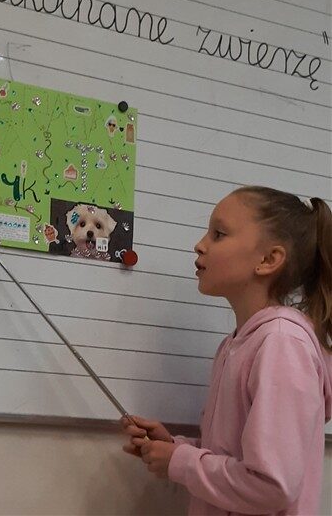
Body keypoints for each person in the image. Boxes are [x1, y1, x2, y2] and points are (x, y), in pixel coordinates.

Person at [121, 186, 332, 515]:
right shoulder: (237, 343)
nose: (200, 244)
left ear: (268, 260)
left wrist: (181, 462)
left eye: (218, 234)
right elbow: (233, 458)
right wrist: (174, 448)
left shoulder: (281, 344)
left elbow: (271, 485)